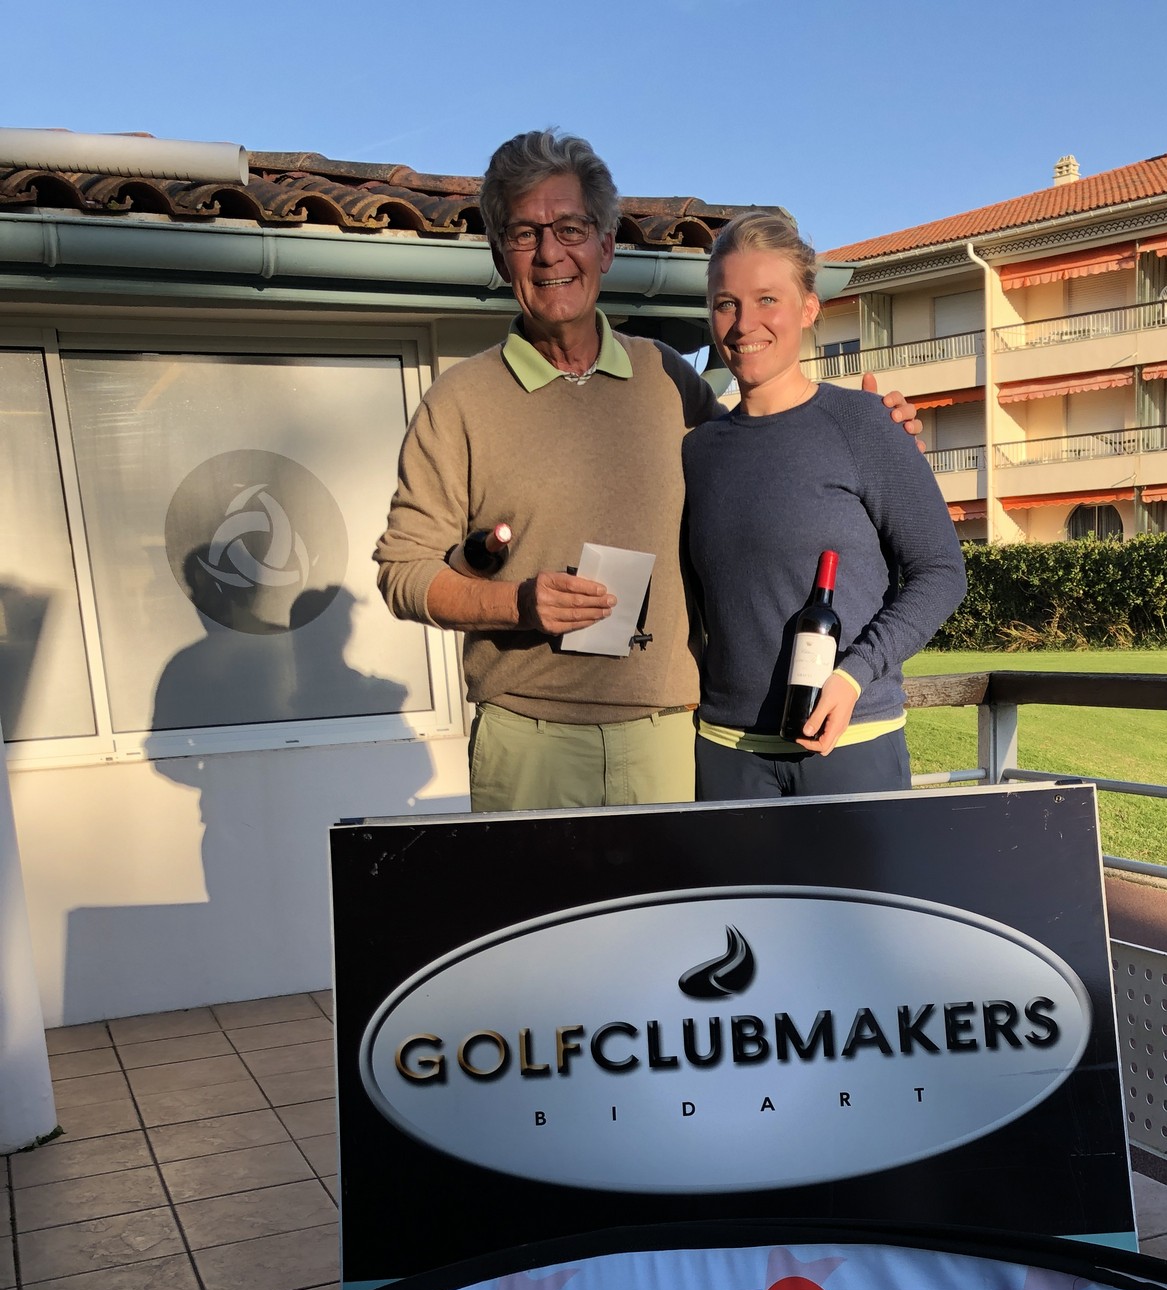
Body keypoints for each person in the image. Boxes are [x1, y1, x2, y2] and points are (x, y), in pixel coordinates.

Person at [374, 130, 920, 814]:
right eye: (524, 233)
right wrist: (518, 605)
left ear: (605, 246)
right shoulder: (458, 401)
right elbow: (402, 572)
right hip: (527, 742)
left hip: (670, 740)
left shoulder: (666, 376)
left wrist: (872, 430)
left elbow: (760, 454)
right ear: (498, 253)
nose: (549, 253)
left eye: (571, 228)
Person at [683, 211, 966, 800]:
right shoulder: (698, 451)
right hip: (729, 755)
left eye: (768, 299)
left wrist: (854, 676)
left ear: (809, 308)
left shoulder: (865, 425)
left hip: (850, 746)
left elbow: (942, 573)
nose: (744, 323)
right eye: (727, 303)